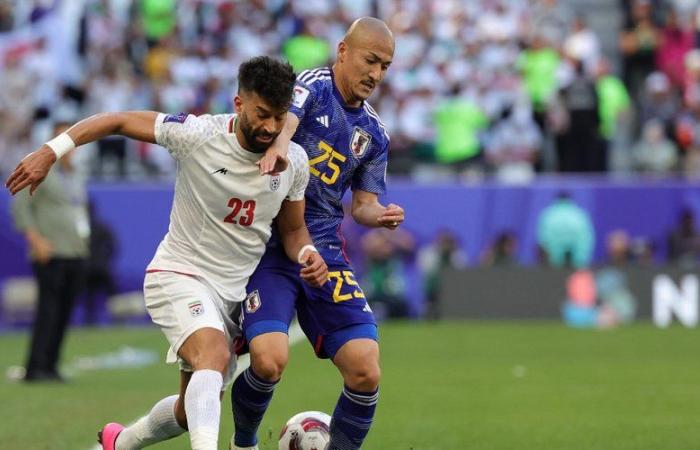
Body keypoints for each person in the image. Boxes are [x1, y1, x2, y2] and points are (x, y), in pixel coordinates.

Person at [5, 56, 328, 450]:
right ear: (239, 103)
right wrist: (51, 150)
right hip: (179, 274)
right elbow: (118, 120)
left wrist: (308, 252)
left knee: (187, 410)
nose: (270, 127)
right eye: (262, 114)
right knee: (211, 354)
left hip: (233, 294)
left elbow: (294, 230)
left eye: (279, 117)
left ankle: (118, 442)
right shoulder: (198, 135)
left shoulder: (293, 161)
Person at [230, 18, 404, 450]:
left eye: (385, 66)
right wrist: (277, 150)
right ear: (343, 50)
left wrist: (380, 214)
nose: (376, 74)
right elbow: (287, 122)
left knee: (366, 368)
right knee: (268, 361)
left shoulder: (374, 134)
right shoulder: (311, 85)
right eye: (370, 60)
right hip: (270, 245)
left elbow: (362, 205)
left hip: (325, 250)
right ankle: (245, 442)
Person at [10, 120, 89, 382]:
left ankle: (51, 365)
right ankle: (36, 367)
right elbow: (21, 208)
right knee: (48, 311)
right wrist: (35, 240)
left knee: (64, 311)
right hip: (50, 250)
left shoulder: (76, 174)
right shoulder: (39, 168)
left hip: (74, 250)